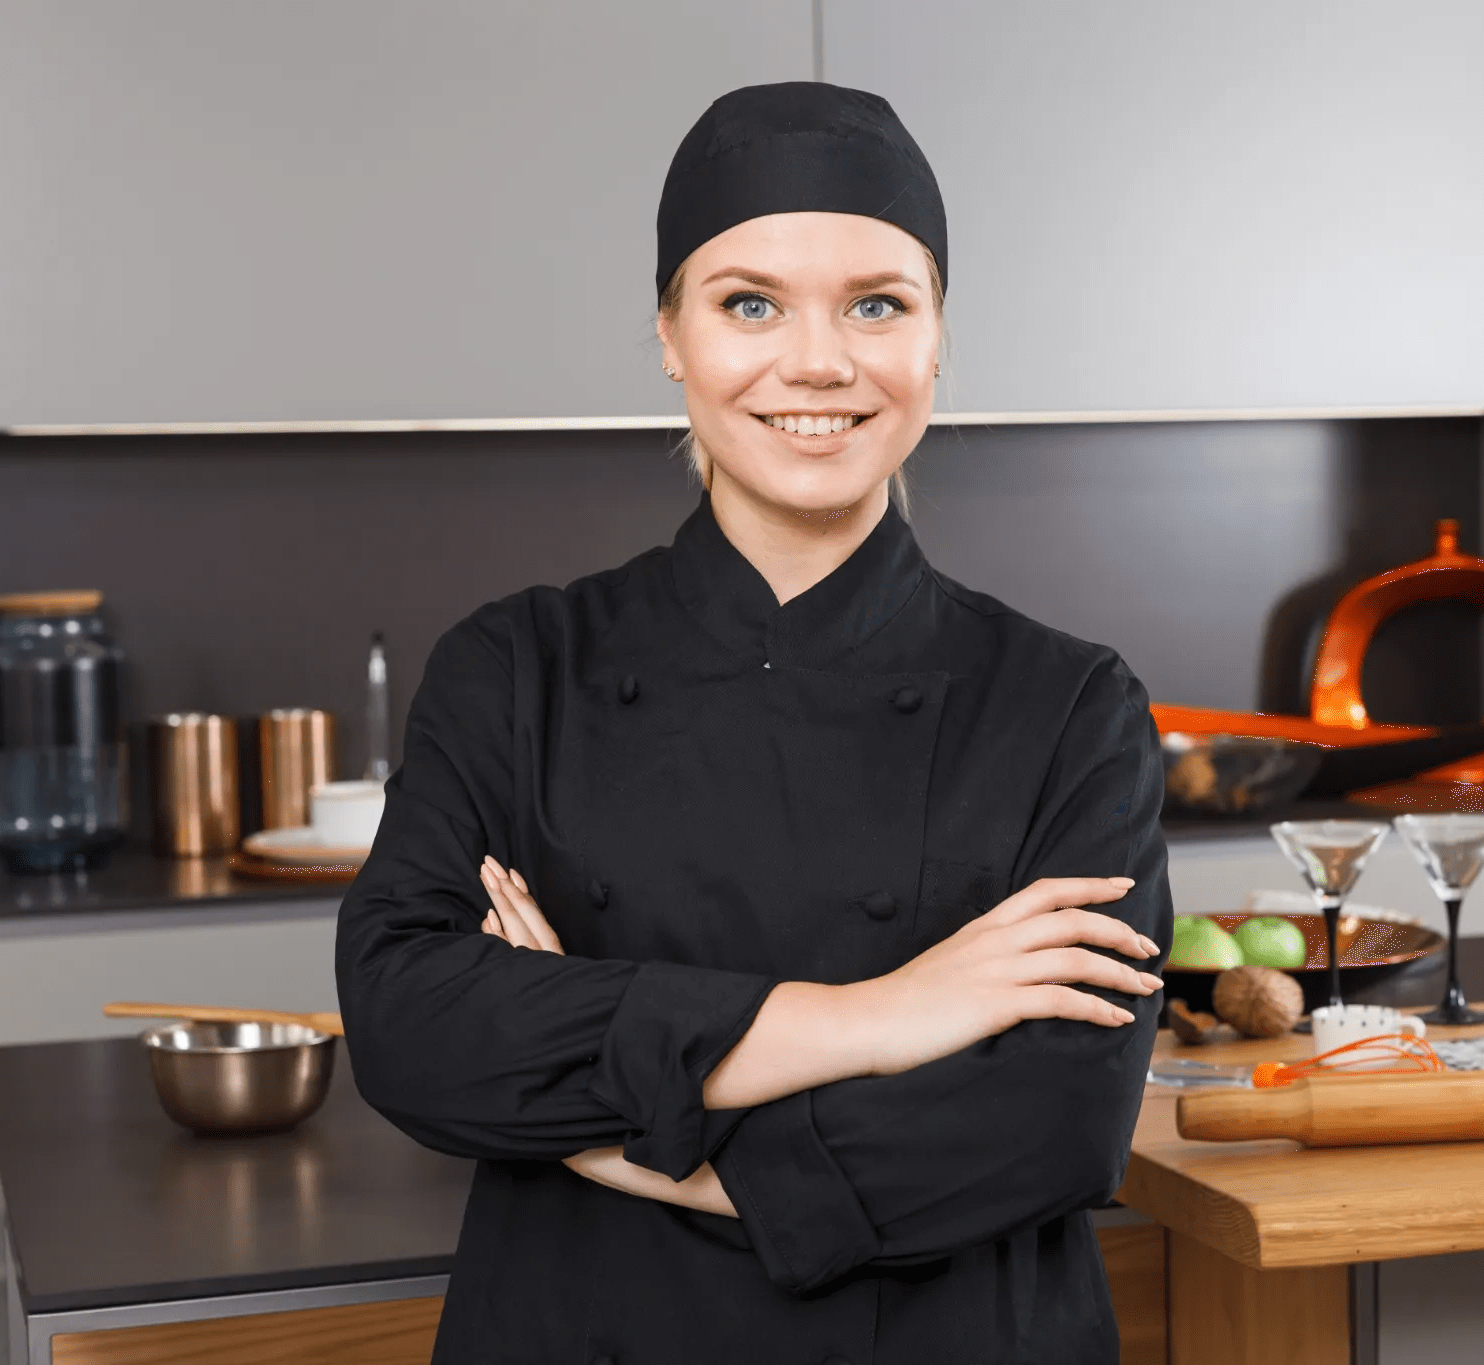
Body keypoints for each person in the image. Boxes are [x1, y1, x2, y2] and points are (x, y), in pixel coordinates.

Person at [336, 81, 1172, 1365]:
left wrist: (606, 1131)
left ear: (937, 336)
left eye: (877, 305)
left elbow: (1052, 1125)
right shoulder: (516, 665)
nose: (819, 363)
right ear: (670, 334)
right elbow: (411, 1027)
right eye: (748, 304)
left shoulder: (1066, 703)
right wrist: (882, 1017)